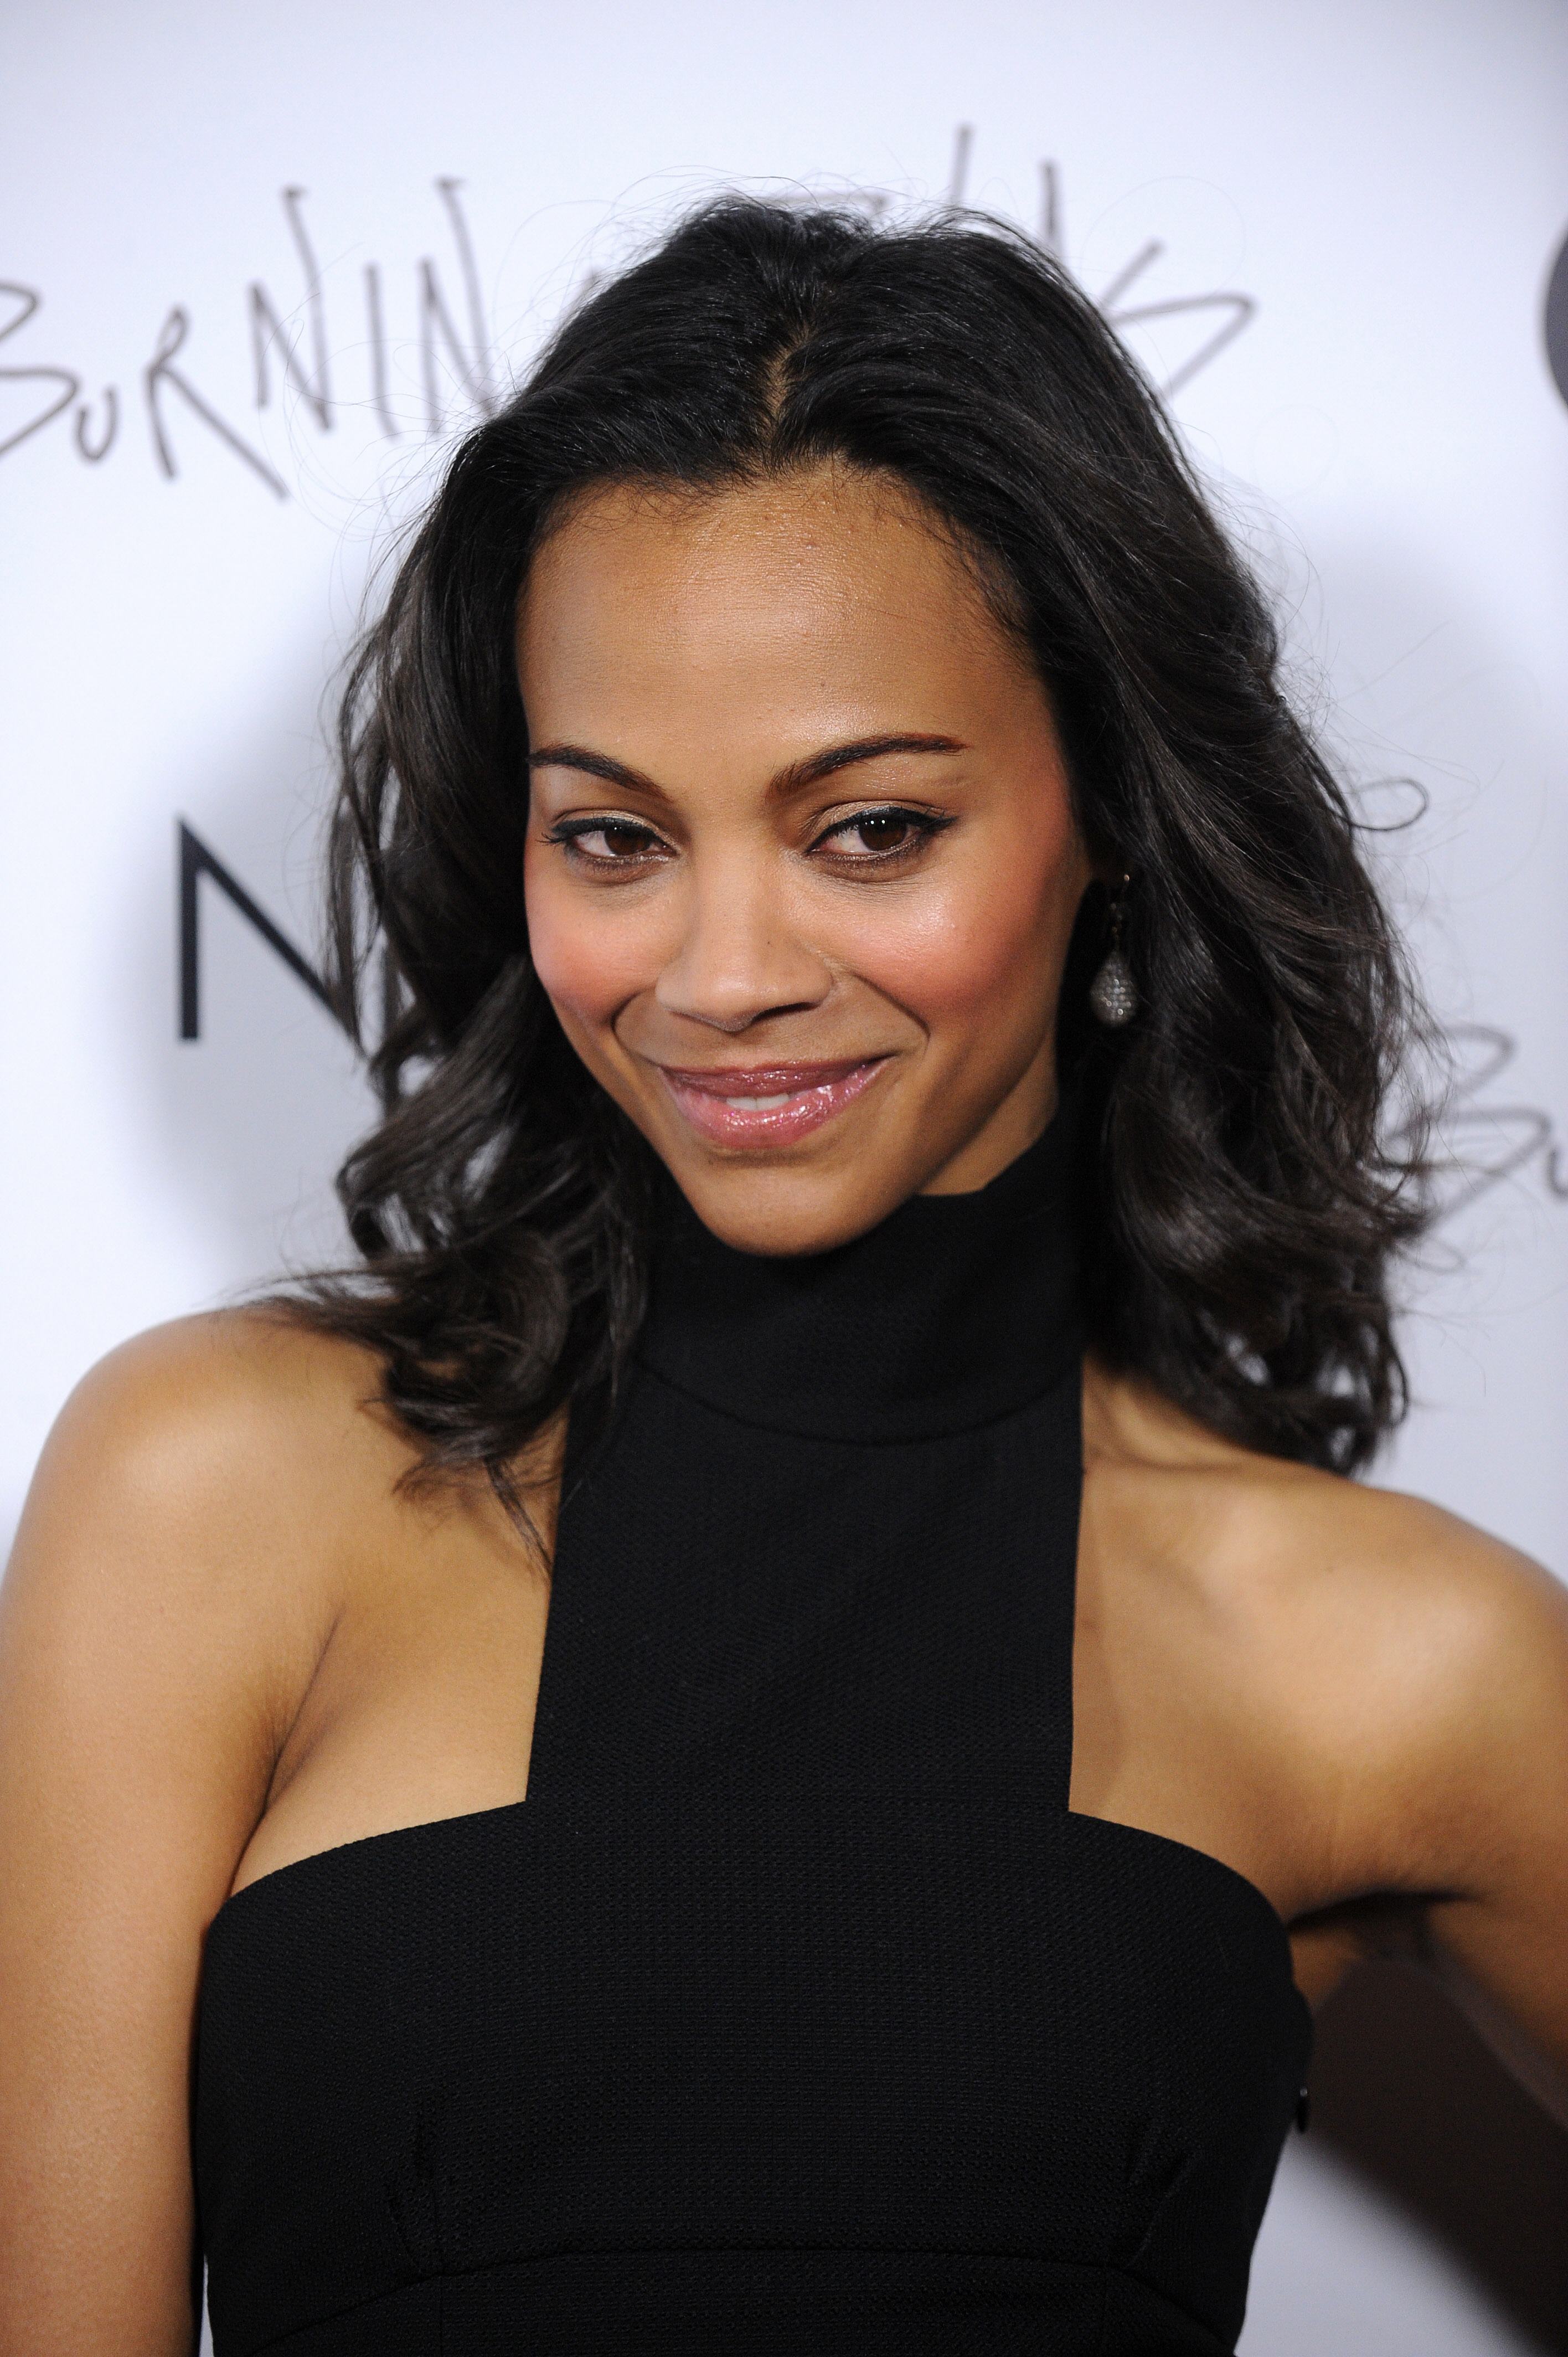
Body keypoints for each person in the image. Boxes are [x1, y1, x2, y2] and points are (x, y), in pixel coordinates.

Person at [1, 197, 1565, 2357]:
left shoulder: (1392, 1660)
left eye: (871, 829)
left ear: (1112, 813)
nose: (724, 975)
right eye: (616, 837)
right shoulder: (211, 1490)